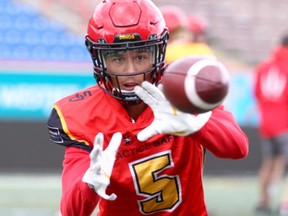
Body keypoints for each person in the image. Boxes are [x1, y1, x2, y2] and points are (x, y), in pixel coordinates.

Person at [47, 0, 249, 215]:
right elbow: (71, 211)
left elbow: (237, 148)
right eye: (117, 58)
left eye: (141, 56)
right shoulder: (79, 114)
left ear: (159, 52)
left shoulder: (185, 87)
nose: (130, 71)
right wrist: (88, 185)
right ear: (99, 59)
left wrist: (197, 125)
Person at [254, 33, 288, 215]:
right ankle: (285, 203)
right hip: (284, 122)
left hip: (266, 123)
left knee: (268, 163)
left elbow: (257, 93)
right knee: (282, 161)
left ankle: (264, 201)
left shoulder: (264, 65)